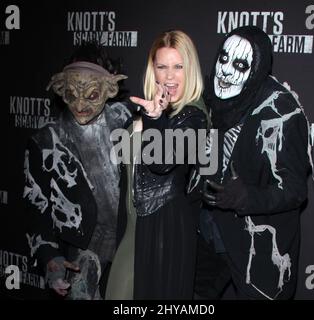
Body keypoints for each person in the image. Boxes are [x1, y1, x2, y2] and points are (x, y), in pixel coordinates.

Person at [192, 26, 313, 300]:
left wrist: (247, 196)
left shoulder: (281, 111)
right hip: (208, 234)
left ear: (256, 69)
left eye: (240, 64)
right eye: (223, 59)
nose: (226, 71)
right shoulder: (210, 98)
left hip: (256, 244)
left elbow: (295, 189)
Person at [105, 30, 209, 300]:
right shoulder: (149, 111)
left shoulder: (194, 116)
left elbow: (162, 161)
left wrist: (153, 120)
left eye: (178, 67)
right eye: (162, 66)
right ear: (153, 70)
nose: (169, 76)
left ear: (191, 70)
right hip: (133, 227)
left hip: (165, 231)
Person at [23, 42, 132, 299]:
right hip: (82, 249)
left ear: (108, 89)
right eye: (72, 94)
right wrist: (50, 257)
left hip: (131, 243)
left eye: (91, 94)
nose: (80, 105)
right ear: (62, 90)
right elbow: (37, 207)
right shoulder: (46, 141)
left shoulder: (128, 120)